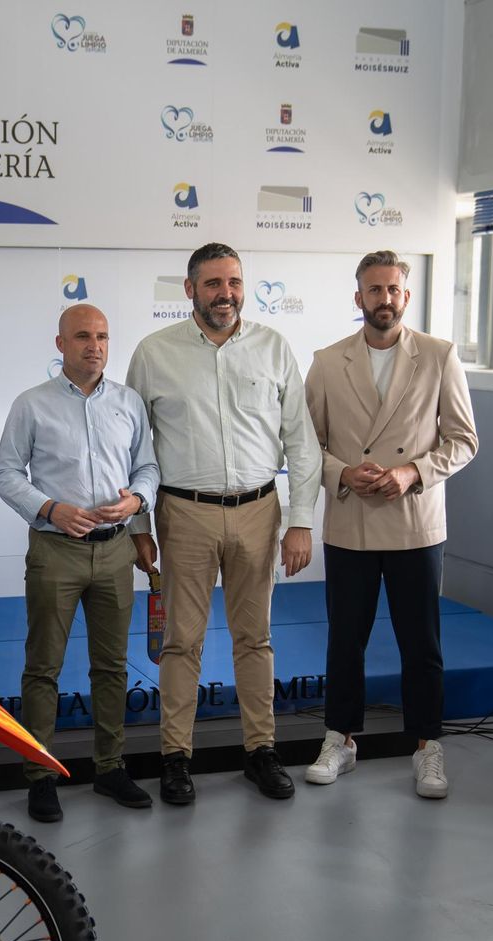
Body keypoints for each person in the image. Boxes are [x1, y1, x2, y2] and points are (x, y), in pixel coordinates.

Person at [126, 242, 321, 804]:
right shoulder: (154, 353)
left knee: (255, 639)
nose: (226, 294)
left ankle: (261, 751)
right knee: (181, 641)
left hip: (260, 510)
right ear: (190, 289)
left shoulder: (273, 346)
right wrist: (140, 526)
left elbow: (300, 441)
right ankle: (175, 758)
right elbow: (133, 448)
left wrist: (301, 521)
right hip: (184, 512)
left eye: (234, 282)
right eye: (213, 283)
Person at [302, 250, 478, 799]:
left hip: (414, 523)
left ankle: (427, 746)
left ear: (407, 295)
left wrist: (412, 472)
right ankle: (340, 738)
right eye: (374, 290)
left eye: (393, 289)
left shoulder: (439, 355)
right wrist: (343, 472)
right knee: (344, 641)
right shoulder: (327, 361)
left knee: (421, 644)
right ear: (358, 297)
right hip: (350, 522)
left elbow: (464, 440)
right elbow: (306, 445)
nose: (385, 299)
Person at [0, 304, 160, 823]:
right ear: (61, 343)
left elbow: (148, 467)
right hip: (55, 550)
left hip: (115, 550)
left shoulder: (129, 402)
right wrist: (50, 508)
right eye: (84, 336)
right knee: (43, 667)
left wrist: (136, 501)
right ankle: (40, 775)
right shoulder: (32, 404)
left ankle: (110, 767)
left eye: (103, 337)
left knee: (112, 666)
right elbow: (5, 473)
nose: (95, 346)